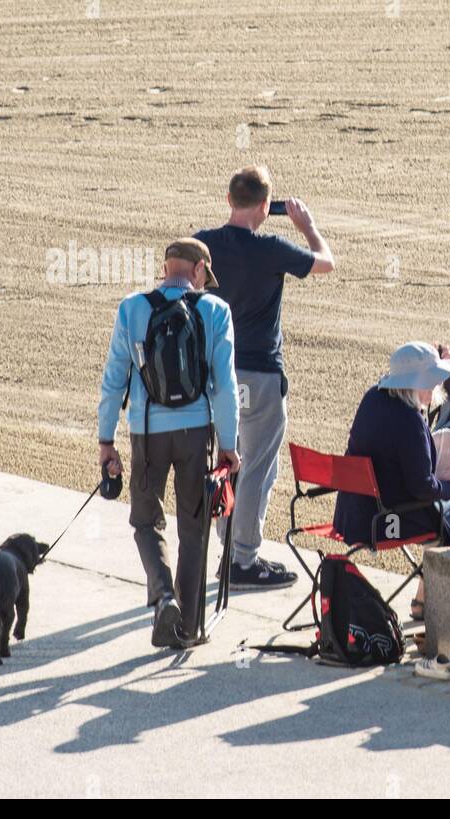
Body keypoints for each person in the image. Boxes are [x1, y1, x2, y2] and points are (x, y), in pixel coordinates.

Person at [193, 165, 335, 591]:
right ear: (262, 206)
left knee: (225, 462)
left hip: (216, 373)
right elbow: (326, 264)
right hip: (259, 374)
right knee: (256, 468)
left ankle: (227, 550)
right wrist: (307, 227)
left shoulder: (205, 243)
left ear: (229, 200)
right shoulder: (270, 247)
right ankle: (243, 559)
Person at [96, 238, 241, 648]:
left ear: (166, 268)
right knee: (194, 528)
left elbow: (113, 379)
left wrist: (106, 440)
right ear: (197, 271)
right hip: (197, 432)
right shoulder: (215, 310)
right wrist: (229, 444)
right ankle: (189, 627)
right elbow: (226, 386)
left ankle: (163, 598)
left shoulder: (132, 308)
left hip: (146, 432)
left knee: (146, 520)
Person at [333, 342, 450, 620]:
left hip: (353, 513)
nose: (435, 390)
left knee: (443, 508)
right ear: (417, 384)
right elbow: (423, 487)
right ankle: (430, 603)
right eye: (432, 382)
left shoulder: (372, 398)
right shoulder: (409, 420)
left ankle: (423, 599)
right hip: (385, 521)